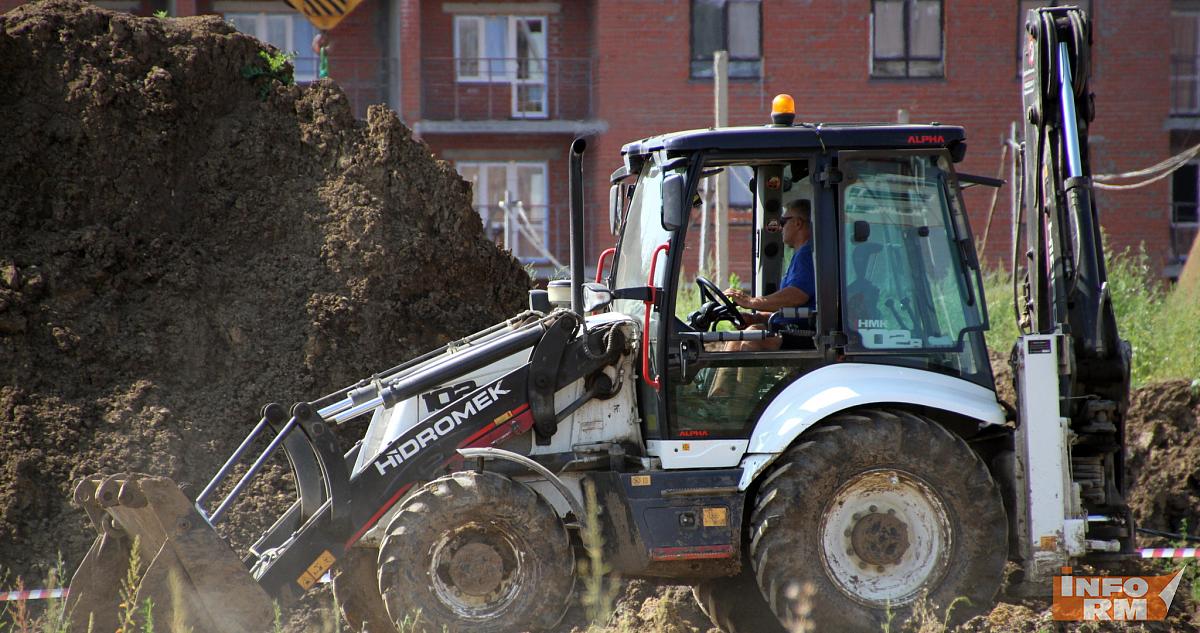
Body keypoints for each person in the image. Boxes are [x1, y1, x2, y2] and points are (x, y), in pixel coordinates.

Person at [708, 199, 814, 397]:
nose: (780, 227)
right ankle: (718, 399)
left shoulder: (808, 255)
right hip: (789, 327)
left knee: (753, 337)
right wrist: (756, 317)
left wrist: (751, 302)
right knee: (737, 337)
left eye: (784, 222)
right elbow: (787, 307)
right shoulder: (799, 256)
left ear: (798, 223)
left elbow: (797, 296)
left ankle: (738, 405)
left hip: (803, 333)